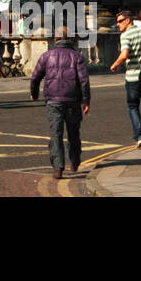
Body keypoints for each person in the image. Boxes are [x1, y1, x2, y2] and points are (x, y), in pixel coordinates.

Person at [29, 26, 91, 179]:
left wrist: (34, 94)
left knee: (55, 134)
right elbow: (84, 80)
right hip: (73, 100)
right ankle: (75, 161)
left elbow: (35, 77)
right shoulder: (77, 56)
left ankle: (58, 167)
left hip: (53, 101)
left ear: (55, 39)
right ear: (69, 38)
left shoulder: (46, 56)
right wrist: (86, 100)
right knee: (73, 133)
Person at [109, 10, 141, 148]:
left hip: (133, 77)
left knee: (133, 106)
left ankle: (139, 137)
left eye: (120, 21)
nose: (118, 24)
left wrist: (114, 65)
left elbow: (125, 54)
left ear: (128, 20)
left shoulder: (126, 35)